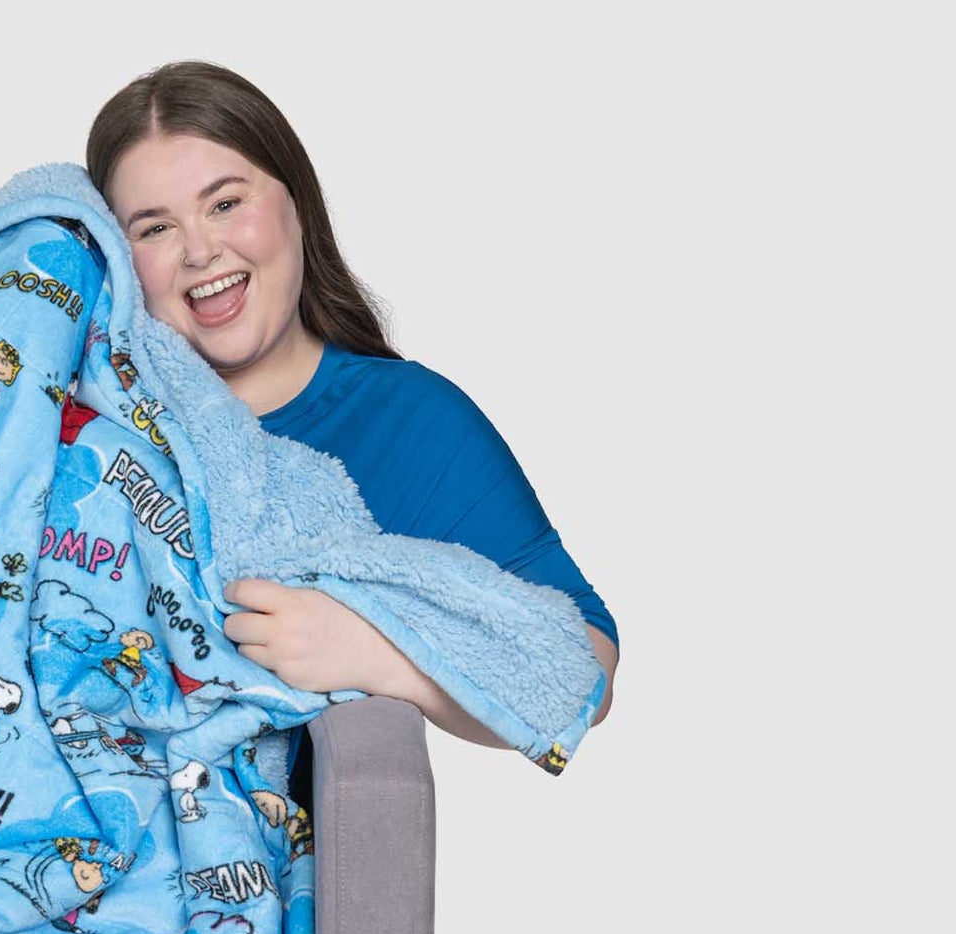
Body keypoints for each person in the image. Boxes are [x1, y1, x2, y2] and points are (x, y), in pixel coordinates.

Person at [87, 61, 620, 751]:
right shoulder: (85, 420)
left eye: (225, 204)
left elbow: (584, 667)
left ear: (297, 205)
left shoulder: (409, 423)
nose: (199, 249)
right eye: (154, 228)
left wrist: (383, 653)